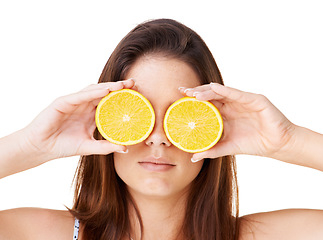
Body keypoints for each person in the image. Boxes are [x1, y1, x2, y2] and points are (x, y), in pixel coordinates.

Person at [0, 18, 322, 240]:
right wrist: (32, 145)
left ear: (213, 124)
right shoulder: (40, 233)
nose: (158, 137)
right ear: (105, 122)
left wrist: (287, 142)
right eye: (137, 114)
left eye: (179, 117)